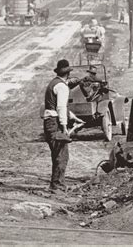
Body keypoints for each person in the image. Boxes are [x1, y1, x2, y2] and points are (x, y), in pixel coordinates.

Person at [42, 59, 84, 193]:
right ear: (68, 74)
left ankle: (56, 184)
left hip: (49, 121)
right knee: (62, 154)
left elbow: (58, 106)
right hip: (55, 123)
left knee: (57, 154)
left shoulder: (53, 83)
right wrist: (65, 127)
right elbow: (60, 107)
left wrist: (74, 118)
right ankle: (57, 186)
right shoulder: (62, 87)